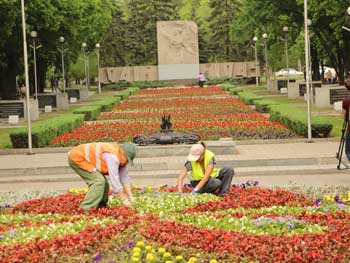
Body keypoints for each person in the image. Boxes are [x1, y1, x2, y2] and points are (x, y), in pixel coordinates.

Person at [68, 142, 136, 210]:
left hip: (84, 158)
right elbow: (114, 179)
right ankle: (85, 208)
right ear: (122, 153)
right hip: (77, 158)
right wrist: (124, 199)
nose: (127, 162)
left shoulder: (122, 159)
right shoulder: (113, 157)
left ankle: (101, 206)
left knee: (104, 184)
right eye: (127, 159)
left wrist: (131, 196)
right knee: (98, 181)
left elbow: (125, 178)